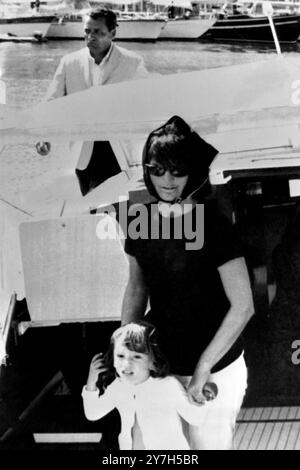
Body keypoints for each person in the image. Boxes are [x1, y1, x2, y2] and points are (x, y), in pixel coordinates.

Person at [121, 115, 255, 450]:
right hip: (161, 366)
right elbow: (137, 288)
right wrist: (124, 350)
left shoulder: (215, 225)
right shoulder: (141, 219)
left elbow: (244, 305)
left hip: (215, 368)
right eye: (156, 169)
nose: (166, 180)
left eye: (177, 171)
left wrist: (203, 368)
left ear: (192, 171)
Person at [37, 7, 148, 195]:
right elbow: (52, 101)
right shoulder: (69, 62)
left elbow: (149, 103)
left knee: (119, 211)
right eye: (87, 31)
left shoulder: (133, 63)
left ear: (112, 33)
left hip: (122, 152)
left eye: (98, 32)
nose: (91, 37)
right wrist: (42, 134)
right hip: (83, 153)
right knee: (93, 210)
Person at [82, 322, 215, 450]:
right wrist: (92, 380)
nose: (126, 363)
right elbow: (93, 413)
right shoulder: (119, 386)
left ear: (153, 361)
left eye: (137, 357)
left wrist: (205, 395)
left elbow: (195, 418)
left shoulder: (167, 385)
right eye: (121, 356)